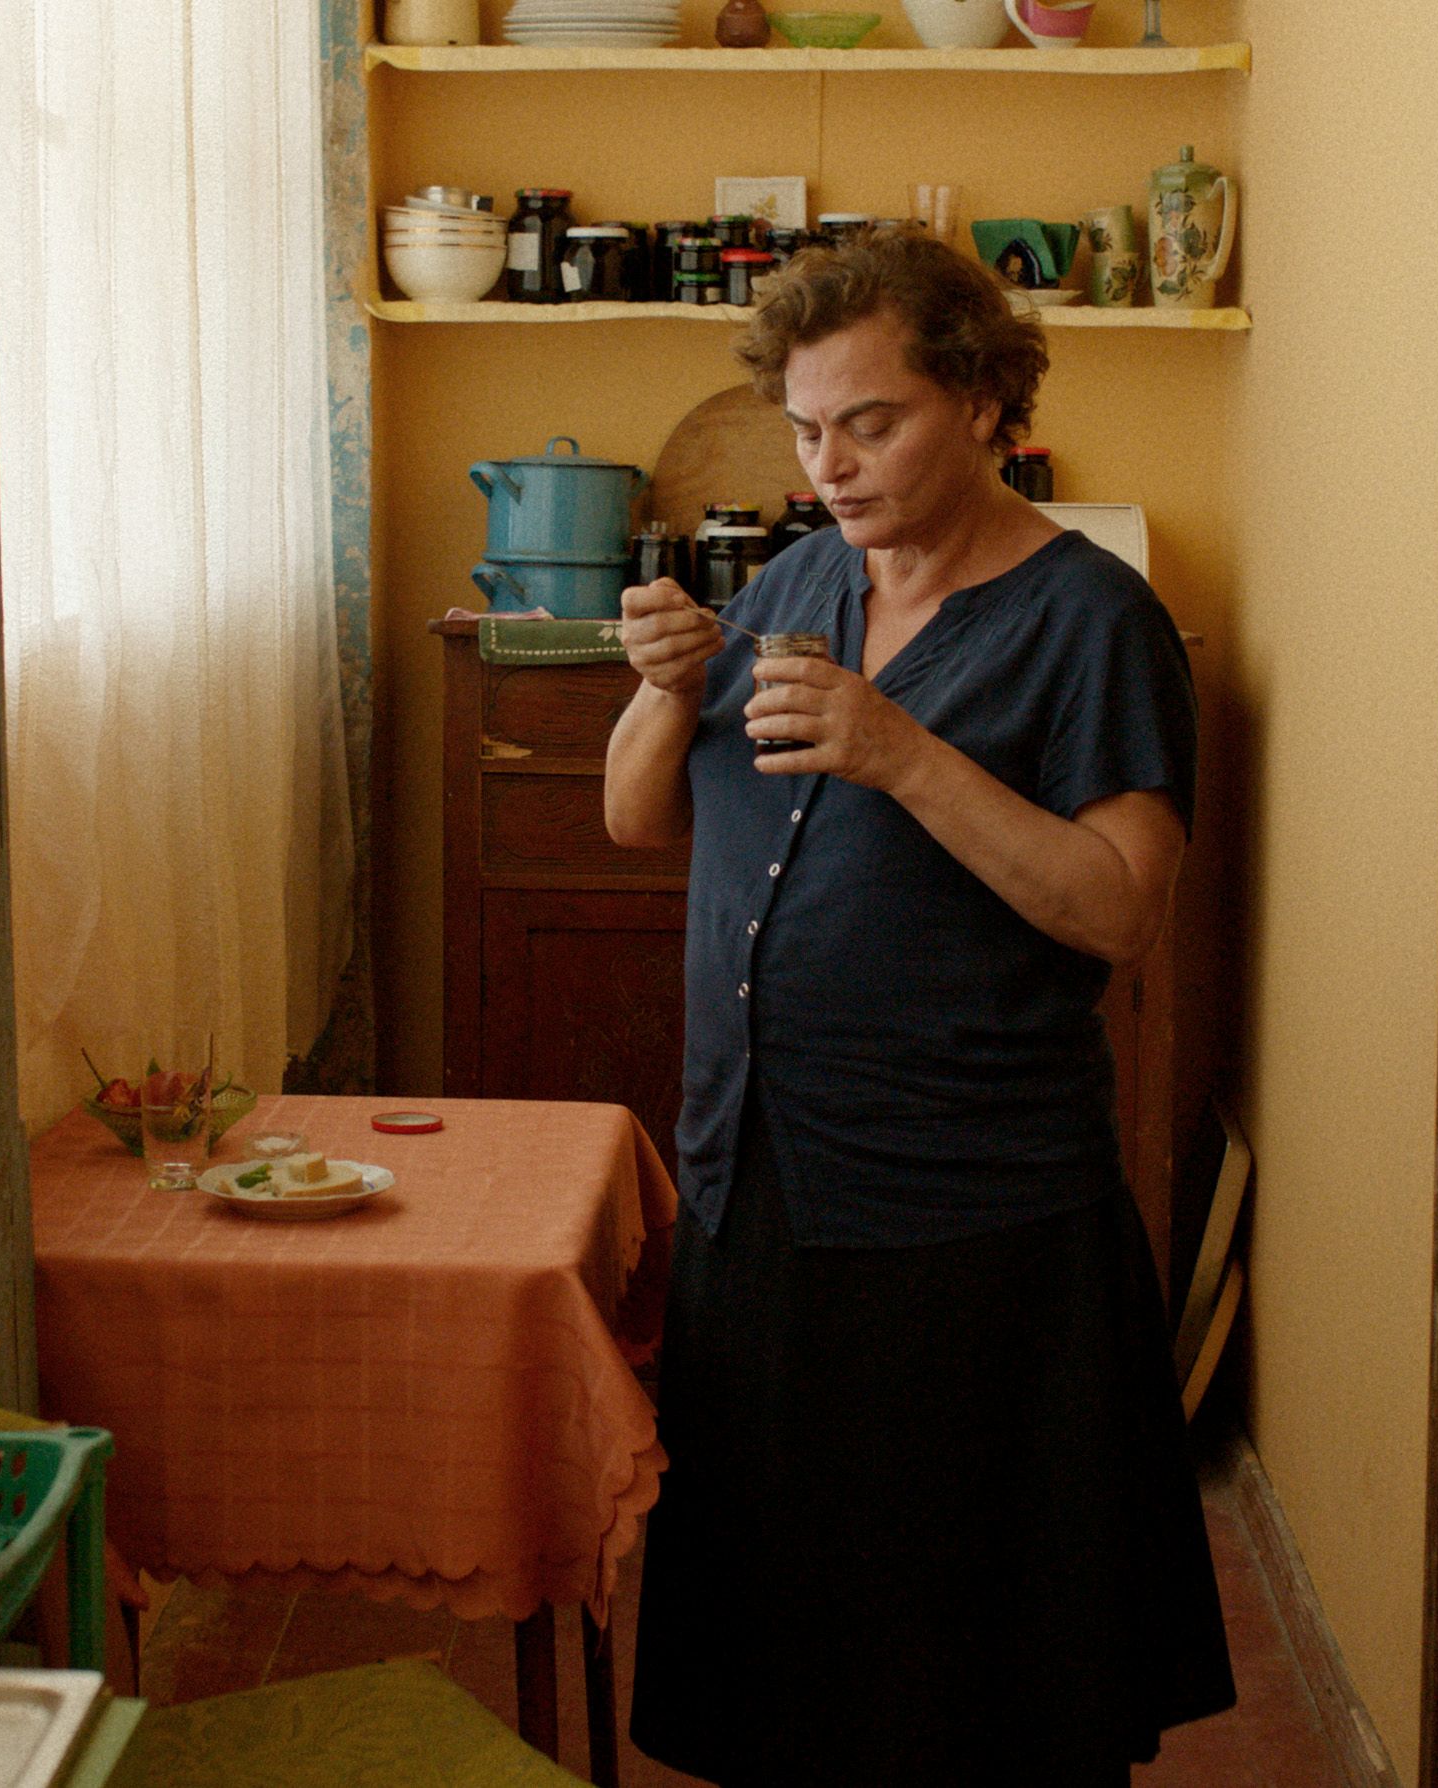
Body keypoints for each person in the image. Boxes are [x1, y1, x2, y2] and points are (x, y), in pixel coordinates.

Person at [606, 227, 1235, 1786]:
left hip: (969, 1227)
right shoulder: (801, 579)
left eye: (870, 423)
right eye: (807, 428)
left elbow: (1122, 910)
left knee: (973, 1698)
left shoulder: (1092, 622)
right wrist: (665, 689)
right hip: (761, 1190)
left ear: (981, 402)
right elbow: (636, 818)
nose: (829, 464)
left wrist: (901, 754)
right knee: (784, 1677)